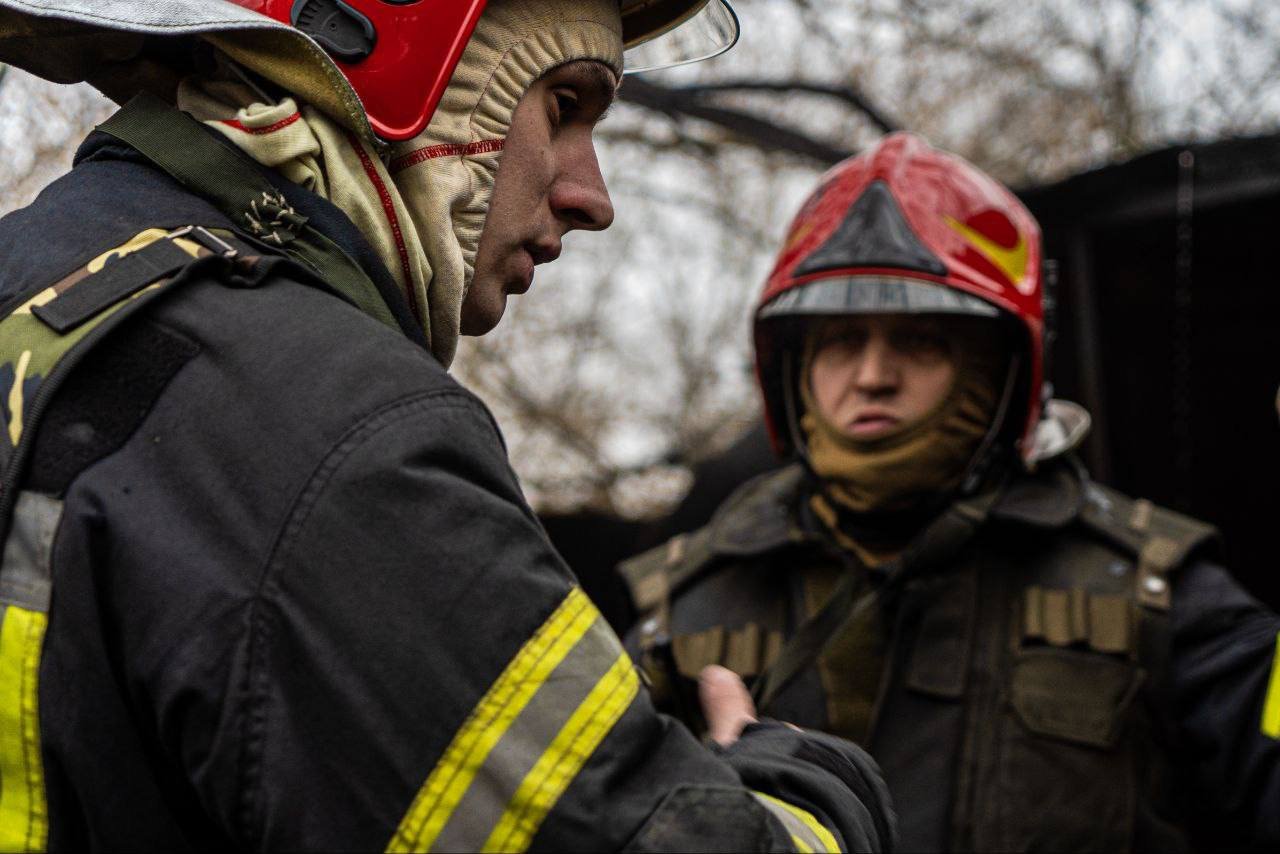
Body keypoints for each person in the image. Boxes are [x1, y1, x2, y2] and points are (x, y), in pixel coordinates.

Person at [0, 1, 896, 850]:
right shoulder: (333, 432)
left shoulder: (36, 293)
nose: (593, 196)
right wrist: (801, 779)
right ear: (395, 65)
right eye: (564, 107)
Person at [622, 133, 1280, 852]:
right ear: (791, 370)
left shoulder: (1161, 592)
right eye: (841, 342)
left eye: (920, 341)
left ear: (1000, 372)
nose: (872, 374)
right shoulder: (676, 616)